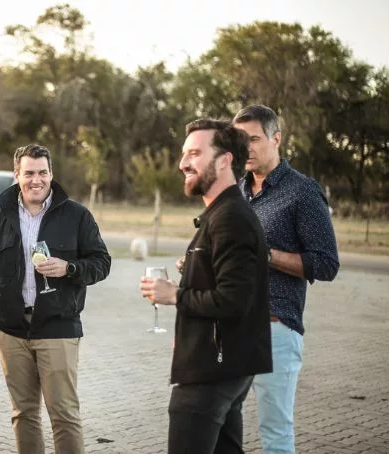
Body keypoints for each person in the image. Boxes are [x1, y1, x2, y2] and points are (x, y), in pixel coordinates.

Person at [139, 119, 272, 454]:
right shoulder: (222, 214)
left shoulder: (230, 218)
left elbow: (233, 301)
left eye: (195, 154)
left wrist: (175, 295)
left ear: (225, 160)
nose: (183, 163)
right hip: (224, 366)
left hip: (212, 371)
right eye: (184, 153)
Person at [0, 144, 111, 454]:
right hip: (11, 330)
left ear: (51, 174)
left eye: (42, 173)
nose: (35, 180)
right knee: (23, 414)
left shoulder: (76, 215)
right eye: (28, 173)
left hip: (58, 328)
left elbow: (102, 263)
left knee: (64, 415)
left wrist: (70, 268)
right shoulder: (2, 216)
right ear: (16, 175)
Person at [233, 105, 339, 454]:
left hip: (274, 329)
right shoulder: (236, 190)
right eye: (239, 140)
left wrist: (266, 255)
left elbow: (326, 264)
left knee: (275, 431)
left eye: (253, 139)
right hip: (230, 325)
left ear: (276, 139)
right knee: (221, 423)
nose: (245, 148)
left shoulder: (302, 192)